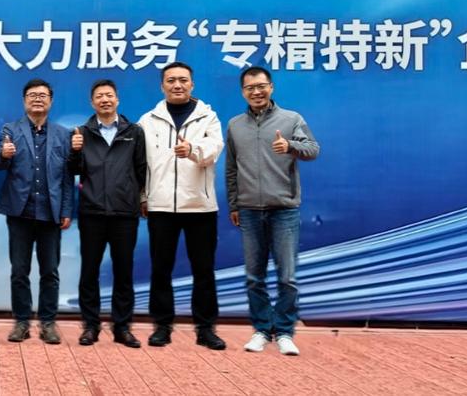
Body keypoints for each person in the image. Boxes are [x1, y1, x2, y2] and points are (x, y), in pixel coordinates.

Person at [226, 66, 320, 356]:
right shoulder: (235, 125)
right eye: (250, 88)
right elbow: (231, 169)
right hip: (249, 210)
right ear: (243, 92)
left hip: (283, 210)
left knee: (286, 277)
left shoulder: (291, 119)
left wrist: (289, 145)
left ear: (271, 87)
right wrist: (234, 204)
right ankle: (262, 330)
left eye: (261, 86)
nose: (256, 92)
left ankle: (285, 332)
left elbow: (313, 149)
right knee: (254, 277)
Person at [137, 61, 227, 350]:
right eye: (171, 80)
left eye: (183, 80)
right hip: (161, 206)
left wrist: (193, 150)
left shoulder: (208, 117)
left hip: (200, 206)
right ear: (162, 86)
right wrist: (143, 197)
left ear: (192, 84)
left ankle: (205, 328)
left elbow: (214, 150)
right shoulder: (148, 121)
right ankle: (162, 326)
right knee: (160, 269)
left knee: (204, 270)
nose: (177, 85)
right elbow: (140, 164)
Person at [0, 78, 75, 345]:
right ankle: (21, 322)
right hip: (20, 213)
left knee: (50, 271)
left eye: (42, 95)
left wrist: (66, 209)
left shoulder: (63, 134)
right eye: (32, 95)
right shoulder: (11, 129)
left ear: (51, 101)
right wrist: (4, 155)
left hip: (51, 213)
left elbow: (67, 177)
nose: (37, 99)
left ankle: (48, 323)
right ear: (24, 101)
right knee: (19, 271)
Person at [67, 79, 146, 348]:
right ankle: (90, 326)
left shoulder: (134, 132)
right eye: (99, 96)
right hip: (92, 213)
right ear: (92, 102)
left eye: (109, 95)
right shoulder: (82, 132)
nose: (105, 100)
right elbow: (74, 171)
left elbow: (141, 169)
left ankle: (122, 327)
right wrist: (75, 151)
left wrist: (133, 197)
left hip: (124, 213)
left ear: (117, 99)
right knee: (89, 272)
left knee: (123, 272)